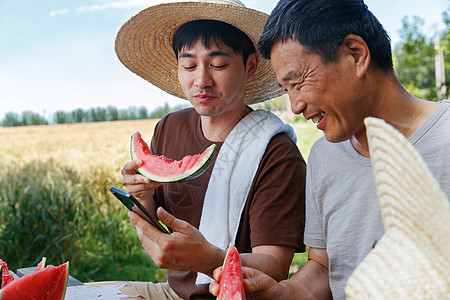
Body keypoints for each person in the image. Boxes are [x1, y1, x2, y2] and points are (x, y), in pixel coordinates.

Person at [209, 0, 450, 299]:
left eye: (297, 82)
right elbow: (324, 267)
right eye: (286, 90)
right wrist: (281, 293)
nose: (295, 106)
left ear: (356, 55)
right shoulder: (324, 157)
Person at [115, 0, 307, 299]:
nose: (201, 80)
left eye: (218, 64)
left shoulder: (277, 153)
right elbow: (157, 224)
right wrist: (141, 196)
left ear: (251, 65)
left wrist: (209, 259)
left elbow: (275, 266)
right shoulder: (169, 127)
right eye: (189, 65)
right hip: (174, 292)